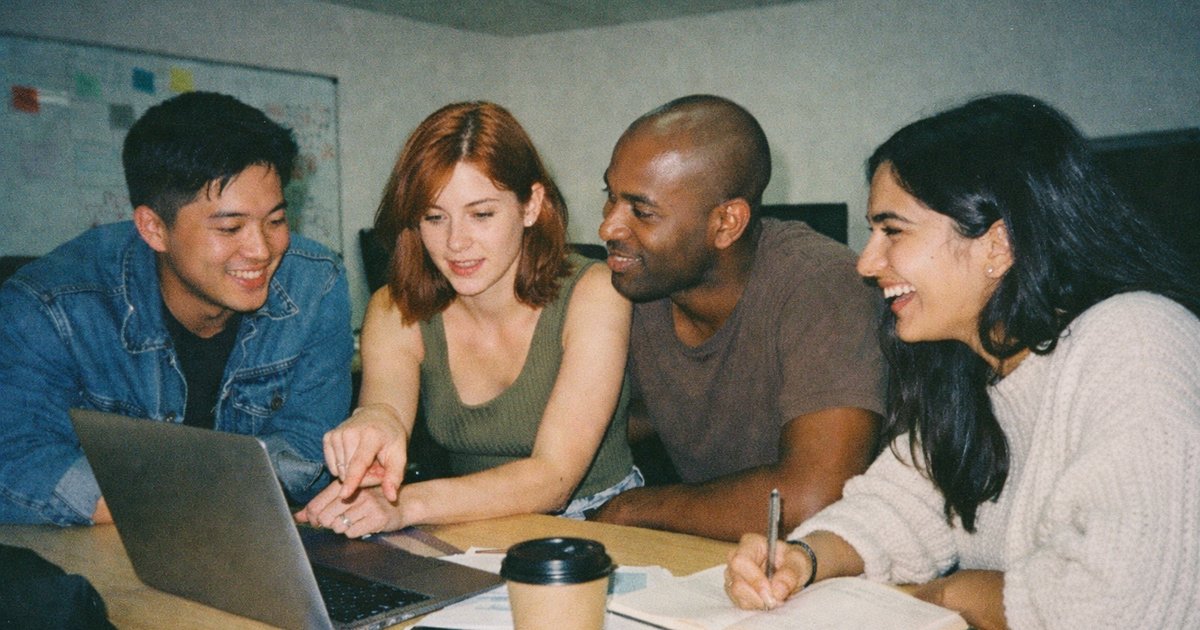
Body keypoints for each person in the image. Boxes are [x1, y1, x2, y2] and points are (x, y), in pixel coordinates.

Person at [725, 94, 1200, 629]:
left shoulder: (1137, 339)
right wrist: (802, 559)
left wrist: (956, 593)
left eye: (892, 231)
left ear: (997, 244)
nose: (866, 262)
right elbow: (898, 509)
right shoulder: (970, 364)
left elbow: (1123, 605)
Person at [0, 91, 354, 526]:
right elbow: (18, 463)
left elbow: (308, 442)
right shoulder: (50, 307)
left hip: (256, 545)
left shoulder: (315, 284)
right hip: (106, 554)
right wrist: (195, 502)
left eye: (276, 221)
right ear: (153, 228)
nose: (261, 249)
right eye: (230, 227)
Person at [294, 102, 637, 538]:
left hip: (600, 525)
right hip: (468, 523)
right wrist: (373, 423)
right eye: (434, 218)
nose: (456, 242)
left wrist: (406, 504)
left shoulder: (595, 293)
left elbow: (554, 478)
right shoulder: (393, 309)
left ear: (530, 205)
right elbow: (386, 408)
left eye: (481, 214)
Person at [590, 94, 886, 541]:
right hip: (725, 562)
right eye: (609, 198)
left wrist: (630, 509)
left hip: (844, 571)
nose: (609, 228)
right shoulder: (636, 285)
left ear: (727, 223)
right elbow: (647, 412)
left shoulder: (824, 285)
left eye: (642, 211)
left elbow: (812, 500)